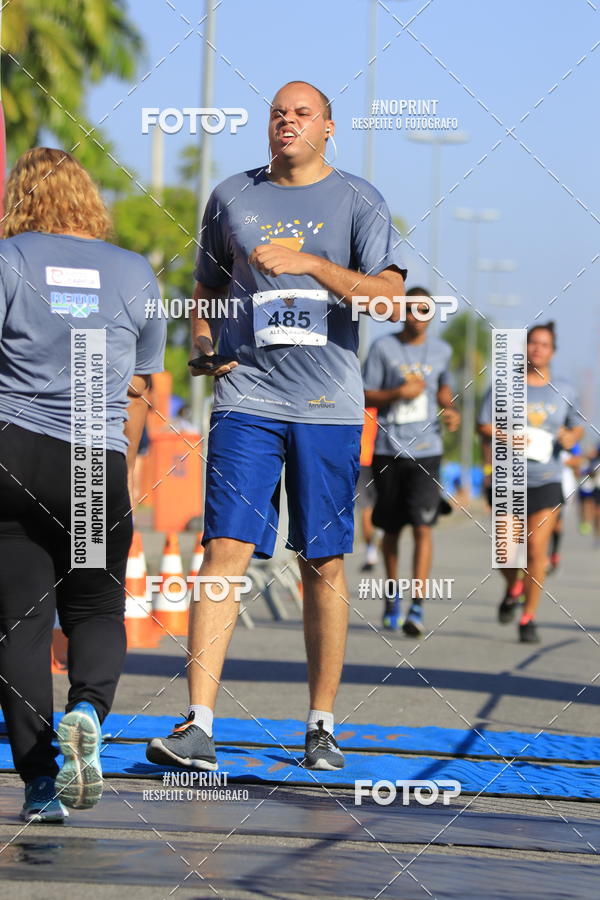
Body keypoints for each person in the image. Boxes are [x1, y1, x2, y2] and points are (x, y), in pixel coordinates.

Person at [146, 80, 406, 772]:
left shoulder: (359, 200)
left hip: (326, 408)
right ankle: (198, 724)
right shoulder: (233, 196)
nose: (286, 122)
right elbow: (204, 290)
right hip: (247, 402)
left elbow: (391, 298)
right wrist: (204, 346)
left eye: (301, 114)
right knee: (223, 550)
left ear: (328, 128)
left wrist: (314, 264)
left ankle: (321, 725)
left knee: (320, 562)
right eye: (276, 114)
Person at [0, 148, 166, 822]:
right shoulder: (133, 272)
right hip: (94, 463)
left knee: (22, 624)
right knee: (95, 606)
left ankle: (41, 783)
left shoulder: (9, 259)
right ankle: (89, 710)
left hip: (15, 453)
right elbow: (142, 382)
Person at [477, 322, 584, 643]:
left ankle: (528, 617)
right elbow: (482, 425)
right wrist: (507, 437)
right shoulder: (502, 386)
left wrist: (570, 435)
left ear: (553, 351)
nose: (537, 349)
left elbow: (576, 427)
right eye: (532, 343)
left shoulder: (565, 390)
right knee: (507, 552)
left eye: (544, 344)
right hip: (509, 479)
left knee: (536, 551)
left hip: (547, 479)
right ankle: (513, 587)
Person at [363, 287, 460, 634]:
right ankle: (392, 596)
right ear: (403, 312)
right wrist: (396, 394)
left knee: (423, 526)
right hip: (389, 449)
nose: (418, 316)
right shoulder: (383, 347)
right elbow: (364, 392)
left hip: (427, 451)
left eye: (425, 310)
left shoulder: (443, 351)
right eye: (412, 310)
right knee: (390, 529)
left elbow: (444, 389)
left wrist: (450, 411)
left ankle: (417, 605)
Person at [357, 407, 379, 571]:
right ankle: (375, 549)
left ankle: (371, 553)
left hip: (362, 459)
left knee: (366, 508)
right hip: (381, 458)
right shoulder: (383, 404)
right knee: (373, 508)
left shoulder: (356, 403)